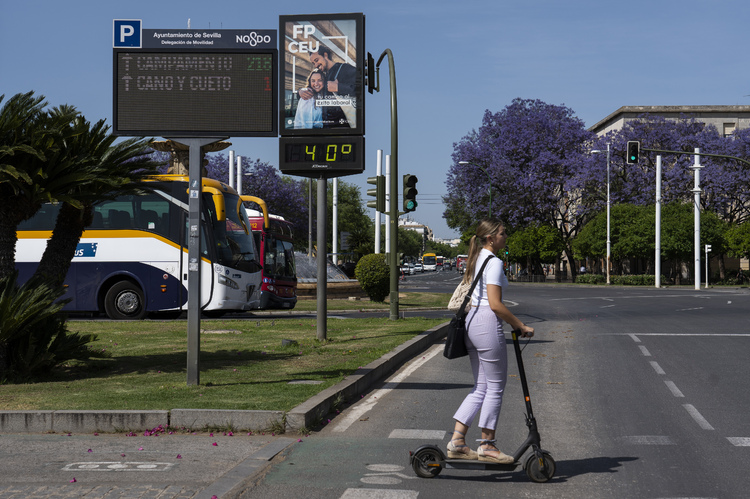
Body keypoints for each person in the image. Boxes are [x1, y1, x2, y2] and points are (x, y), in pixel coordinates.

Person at [448, 219, 534, 464]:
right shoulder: (493, 262)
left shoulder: (476, 260)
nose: (505, 237)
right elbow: (495, 304)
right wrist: (519, 325)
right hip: (486, 321)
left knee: (481, 387)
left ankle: (457, 441)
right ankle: (487, 445)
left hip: (472, 322)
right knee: (495, 387)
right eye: (502, 233)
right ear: (490, 238)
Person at [298, 46, 357, 129]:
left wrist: (338, 87)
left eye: (316, 60)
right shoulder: (324, 75)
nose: (316, 65)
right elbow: (312, 90)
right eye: (313, 63)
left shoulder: (344, 68)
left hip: (343, 128)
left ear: (325, 55)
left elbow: (362, 88)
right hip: (326, 129)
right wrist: (300, 91)